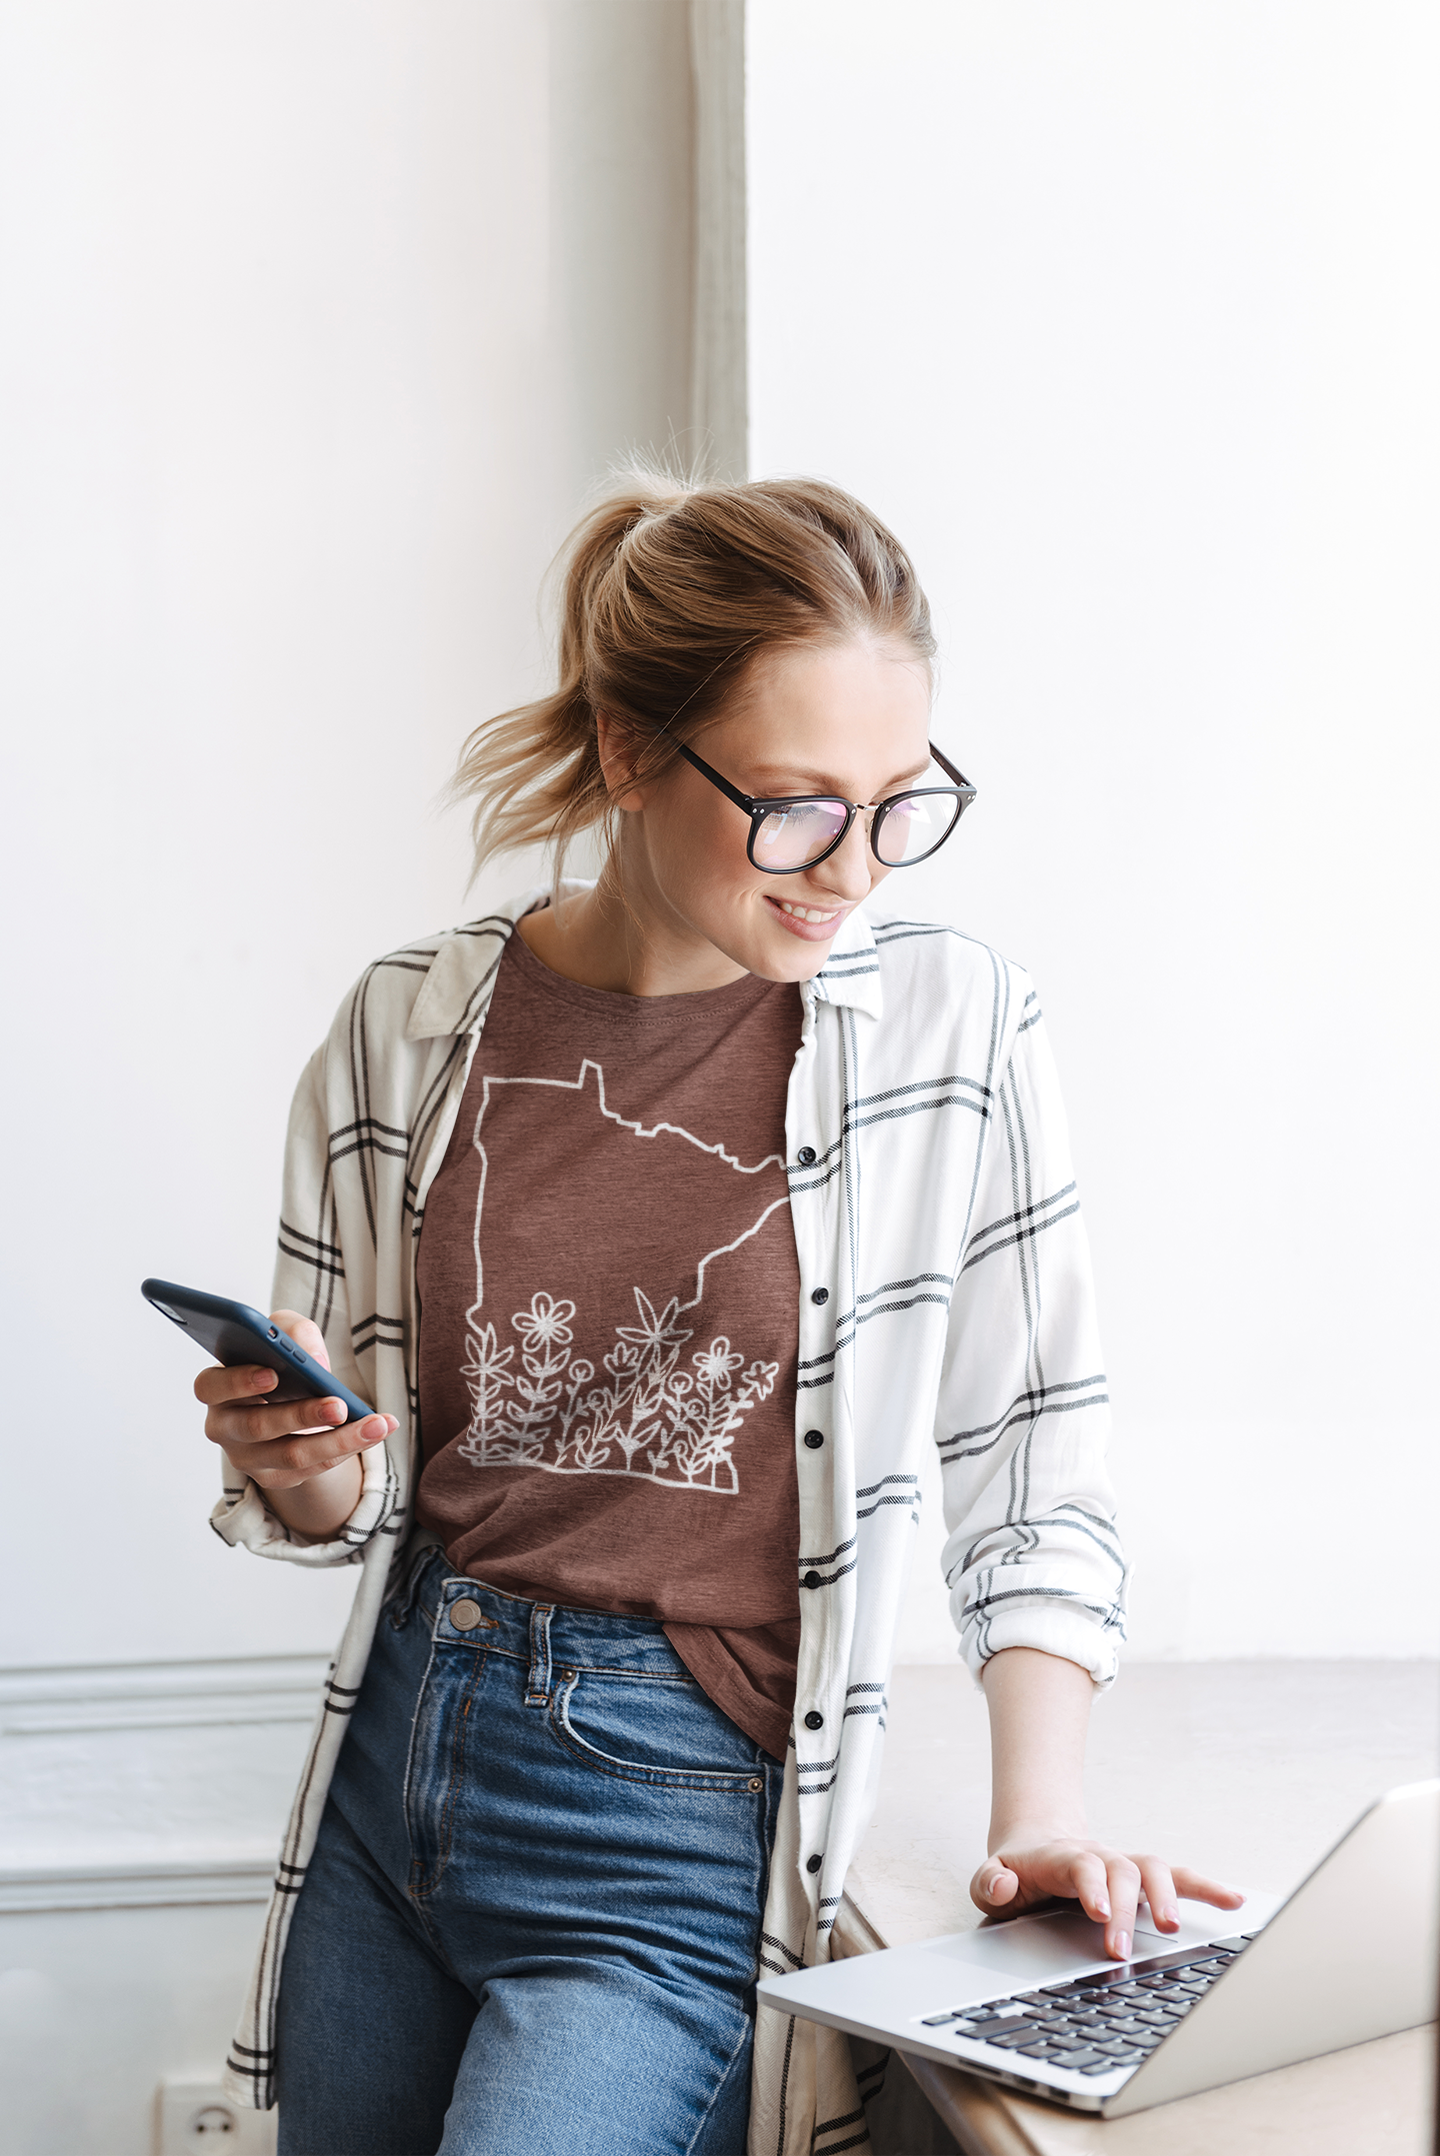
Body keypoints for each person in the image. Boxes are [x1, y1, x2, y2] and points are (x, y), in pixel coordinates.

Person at [197, 472, 1240, 2156]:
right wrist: (301, 1463)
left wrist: (1036, 1814)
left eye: (900, 802)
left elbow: (1034, 1465)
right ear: (628, 752)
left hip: (670, 1831)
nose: (854, 871)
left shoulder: (949, 1034)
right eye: (796, 806)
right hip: (401, 1772)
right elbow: (355, 1499)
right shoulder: (409, 1023)